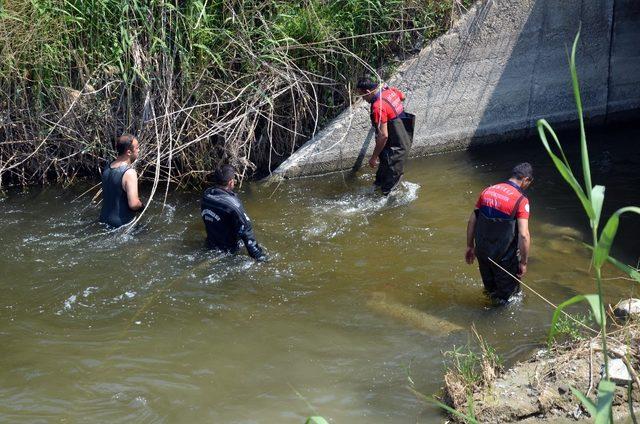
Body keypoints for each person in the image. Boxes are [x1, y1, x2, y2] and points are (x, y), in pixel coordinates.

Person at [465, 163, 533, 303]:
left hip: (483, 252)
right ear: (525, 179)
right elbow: (524, 235)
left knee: (490, 291)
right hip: (504, 258)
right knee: (508, 299)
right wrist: (524, 262)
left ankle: (483, 314)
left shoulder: (488, 191)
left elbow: (472, 220)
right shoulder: (521, 200)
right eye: (529, 183)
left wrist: (470, 246)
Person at [356, 77, 413, 195]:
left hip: (396, 148)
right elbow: (403, 96)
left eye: (363, 96)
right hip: (403, 138)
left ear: (368, 92)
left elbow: (383, 136)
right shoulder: (390, 91)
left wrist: (373, 157)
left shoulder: (378, 107)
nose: (363, 99)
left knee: (389, 189)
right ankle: (376, 191)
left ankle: (389, 205)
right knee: (381, 177)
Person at [201, 164, 267, 262]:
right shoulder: (233, 205)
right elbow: (246, 232)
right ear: (230, 182)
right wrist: (260, 257)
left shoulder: (206, 195)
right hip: (229, 251)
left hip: (210, 245)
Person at [99, 134, 144, 227]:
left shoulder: (108, 167)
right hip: (122, 224)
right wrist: (143, 206)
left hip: (103, 220)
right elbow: (134, 204)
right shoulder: (129, 173)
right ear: (129, 152)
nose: (139, 150)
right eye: (137, 148)